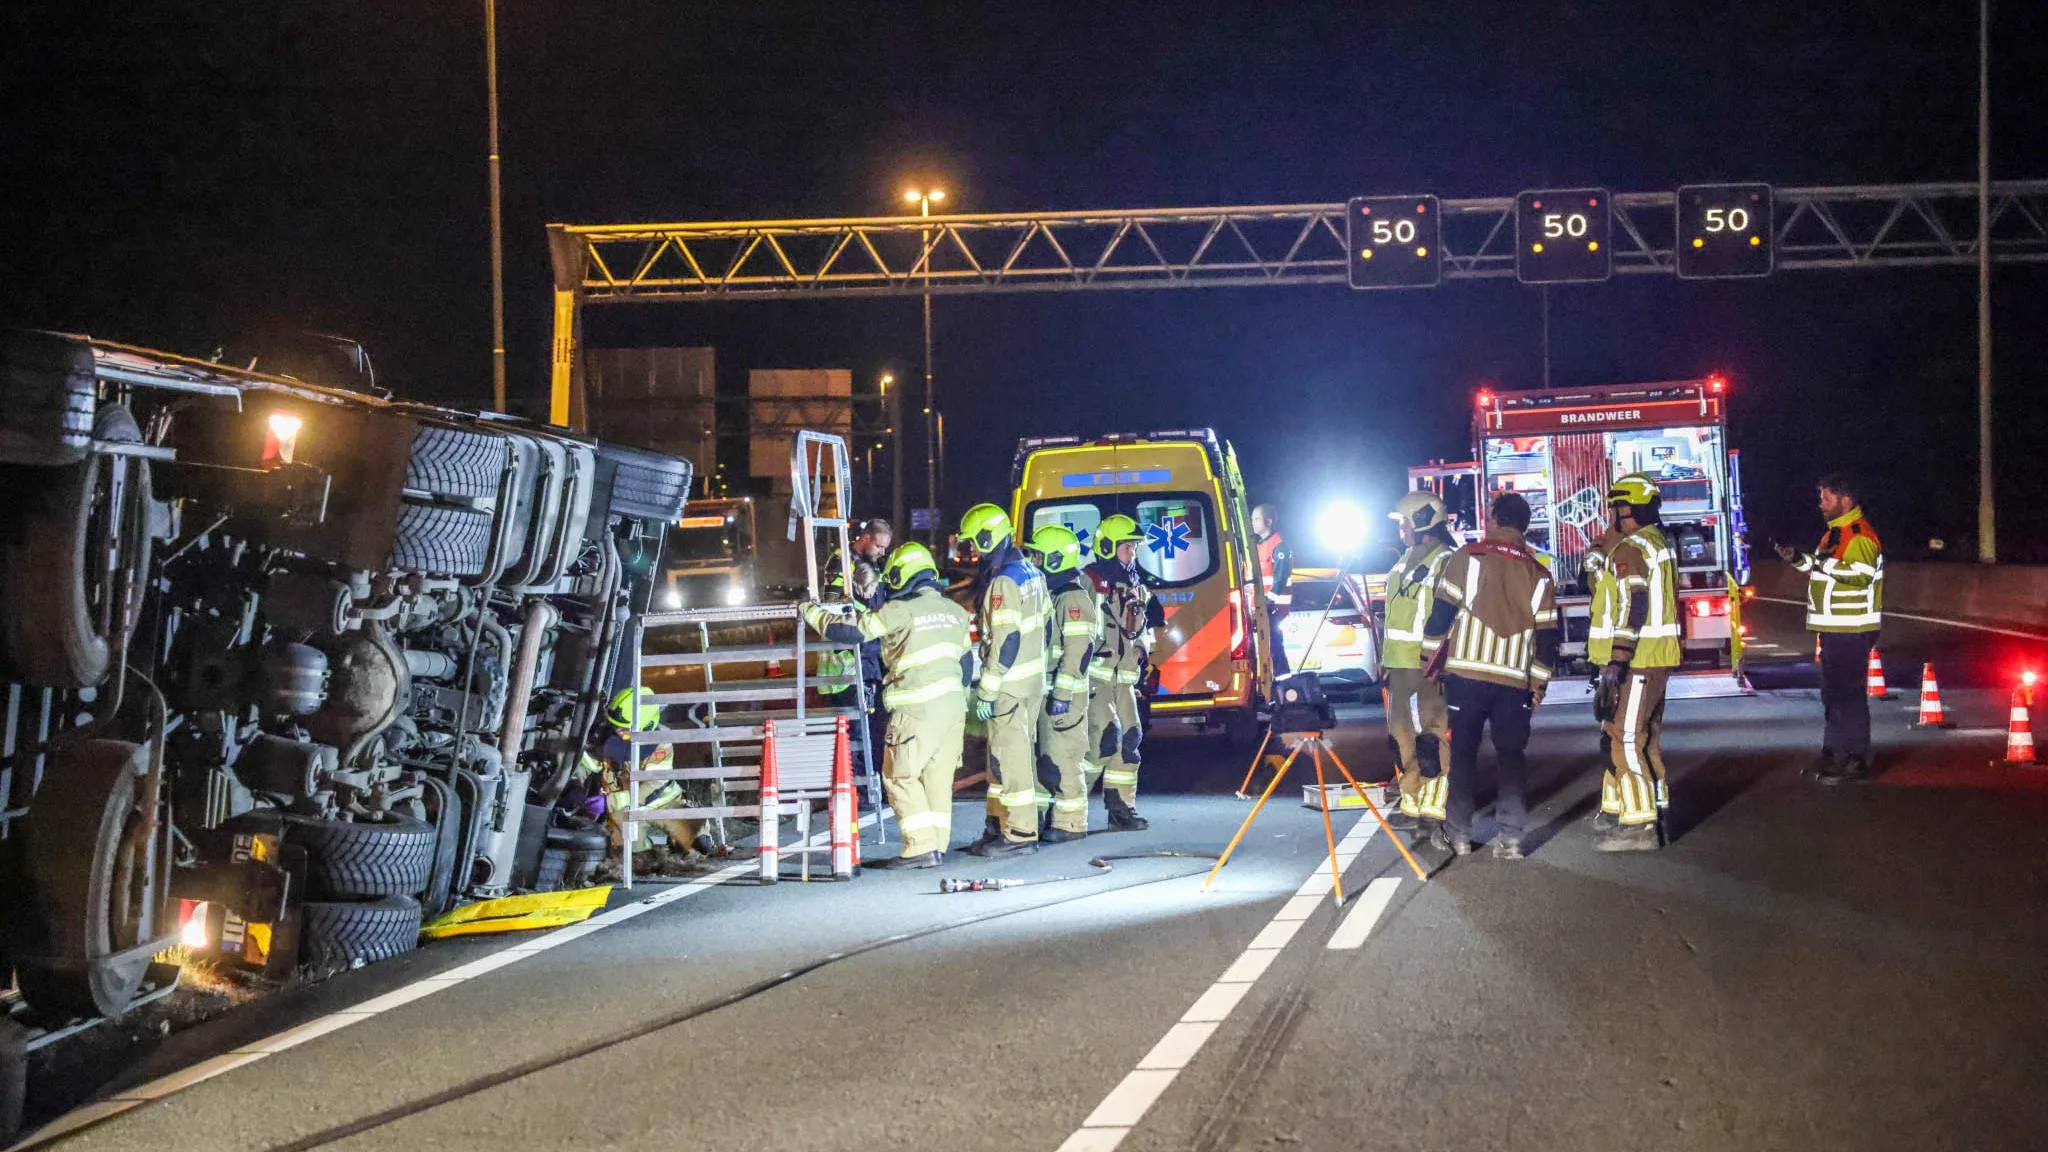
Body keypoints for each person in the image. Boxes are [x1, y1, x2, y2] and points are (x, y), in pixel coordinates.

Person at [798, 541, 973, 868]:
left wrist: (811, 612)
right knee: (937, 779)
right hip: (954, 711)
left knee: (899, 775)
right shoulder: (955, 612)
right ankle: (937, 843)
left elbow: (853, 632)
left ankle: (920, 846)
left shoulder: (900, 610)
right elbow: (966, 665)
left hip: (916, 709)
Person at [1420, 492, 1560, 860]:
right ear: (1524, 527)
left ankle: (1458, 835)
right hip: (1514, 682)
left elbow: (1441, 614)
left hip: (1466, 676)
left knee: (1463, 755)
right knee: (1511, 756)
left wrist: (1427, 658)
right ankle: (1511, 838)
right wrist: (1538, 684)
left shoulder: (1467, 557)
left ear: (1494, 520)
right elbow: (1548, 640)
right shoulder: (1540, 575)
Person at [1773, 474, 1885, 783]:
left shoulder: (1858, 535)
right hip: (1836, 629)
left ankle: (1855, 759)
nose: (1820, 504)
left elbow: (1860, 574)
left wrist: (1821, 563)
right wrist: (1797, 559)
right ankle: (1835, 755)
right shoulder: (1835, 534)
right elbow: (1822, 569)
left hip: (1852, 628)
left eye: (1826, 498)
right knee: (1833, 696)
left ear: (1845, 500)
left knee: (1847, 697)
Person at [1592, 474, 1680, 852]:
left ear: (1627, 509)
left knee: (1624, 738)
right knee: (1644, 739)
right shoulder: (1658, 542)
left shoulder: (1631, 549)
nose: (1615, 515)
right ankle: (1649, 810)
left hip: (1638, 661)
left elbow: (1633, 605)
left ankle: (1640, 826)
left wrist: (1618, 660)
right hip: (1656, 658)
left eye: (1618, 507)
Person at [958, 503, 1051, 857]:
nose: (972, 548)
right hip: (1031, 683)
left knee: (1009, 761)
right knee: (1006, 758)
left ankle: (1020, 834)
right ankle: (998, 825)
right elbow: (1046, 629)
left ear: (988, 537)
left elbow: (1006, 638)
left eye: (974, 541)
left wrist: (988, 688)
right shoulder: (1031, 572)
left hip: (1009, 686)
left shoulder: (1004, 581)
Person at [1380, 491, 1457, 838]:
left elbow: (1448, 615)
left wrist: (1437, 659)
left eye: (1404, 523)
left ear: (1421, 521)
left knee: (1432, 738)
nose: (1401, 530)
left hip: (1428, 665)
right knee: (1402, 737)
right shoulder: (1405, 559)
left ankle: (1434, 808)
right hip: (1399, 664)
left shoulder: (1446, 560)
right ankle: (1411, 801)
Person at [1085, 514, 1160, 830]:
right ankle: (1064, 810)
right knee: (1101, 741)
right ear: (1107, 547)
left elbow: (1146, 627)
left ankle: (1121, 810)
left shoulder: (1137, 585)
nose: (1132, 553)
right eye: (1127, 547)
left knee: (1129, 740)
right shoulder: (1090, 582)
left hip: (1125, 681)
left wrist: (1142, 648)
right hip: (1096, 679)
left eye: (1134, 548)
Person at [1026, 524, 1099, 842]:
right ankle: (1043, 819)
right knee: (1046, 763)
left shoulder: (1073, 597)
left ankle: (1071, 824)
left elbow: (1079, 650)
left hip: (1065, 697)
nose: (1034, 561)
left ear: (1055, 559)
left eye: (1038, 556)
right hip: (1049, 691)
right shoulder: (1053, 594)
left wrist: (1063, 693)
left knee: (1063, 761)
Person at [822, 518, 893, 783]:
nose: (881, 552)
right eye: (878, 546)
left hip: (867, 661)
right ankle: (859, 789)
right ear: (865, 538)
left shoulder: (871, 563)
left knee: (870, 732)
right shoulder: (840, 562)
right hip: (847, 664)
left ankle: (868, 784)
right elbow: (835, 609)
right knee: (854, 736)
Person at [1251, 503, 1294, 676]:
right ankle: (1275, 680)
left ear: (1268, 521)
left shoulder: (1279, 546)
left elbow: (1280, 577)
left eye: (1256, 519)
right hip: (1263, 606)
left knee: (1275, 646)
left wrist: (1269, 600)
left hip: (1273, 607)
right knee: (1269, 646)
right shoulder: (1261, 545)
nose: (1253, 523)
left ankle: (1282, 681)